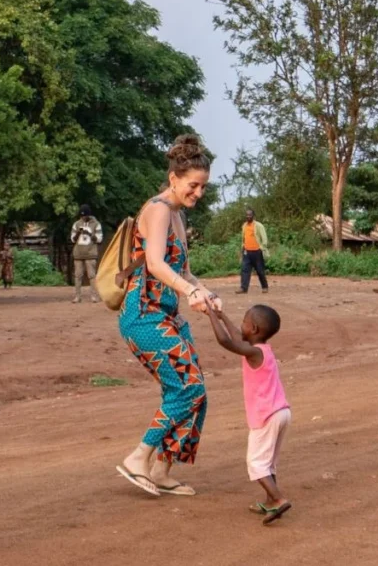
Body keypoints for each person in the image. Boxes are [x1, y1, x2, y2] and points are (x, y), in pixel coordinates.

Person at [115, 134, 223, 497]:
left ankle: (162, 469)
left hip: (166, 314)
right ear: (174, 179)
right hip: (143, 314)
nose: (198, 193)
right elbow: (157, 264)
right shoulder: (159, 209)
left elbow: (184, 271)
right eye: (193, 185)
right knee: (187, 387)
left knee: (197, 394)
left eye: (203, 187)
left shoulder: (176, 215)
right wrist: (189, 291)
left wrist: (204, 291)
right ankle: (139, 456)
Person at [204, 301, 292, 525]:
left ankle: (278, 498)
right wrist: (222, 315)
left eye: (244, 322)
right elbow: (237, 337)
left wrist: (209, 315)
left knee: (256, 463)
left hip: (266, 416)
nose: (241, 325)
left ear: (253, 329)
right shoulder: (262, 349)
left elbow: (226, 340)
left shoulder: (253, 352)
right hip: (281, 412)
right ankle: (270, 501)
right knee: (268, 462)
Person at [70, 205, 103, 303]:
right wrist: (78, 233)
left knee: (92, 275)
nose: (83, 218)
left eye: (85, 216)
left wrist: (89, 234)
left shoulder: (96, 224)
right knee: (78, 275)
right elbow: (72, 239)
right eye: (81, 216)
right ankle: (77, 296)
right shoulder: (76, 224)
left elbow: (99, 239)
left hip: (90, 253)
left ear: (89, 215)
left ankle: (94, 296)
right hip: (78, 253)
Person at [237, 209, 269, 295]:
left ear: (253, 216)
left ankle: (265, 286)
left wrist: (261, 248)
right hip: (247, 252)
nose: (248, 216)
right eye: (247, 215)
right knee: (244, 270)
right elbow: (243, 239)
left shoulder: (258, 225)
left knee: (260, 270)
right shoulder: (244, 226)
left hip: (257, 252)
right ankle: (243, 288)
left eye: (250, 215)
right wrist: (243, 247)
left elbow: (264, 239)